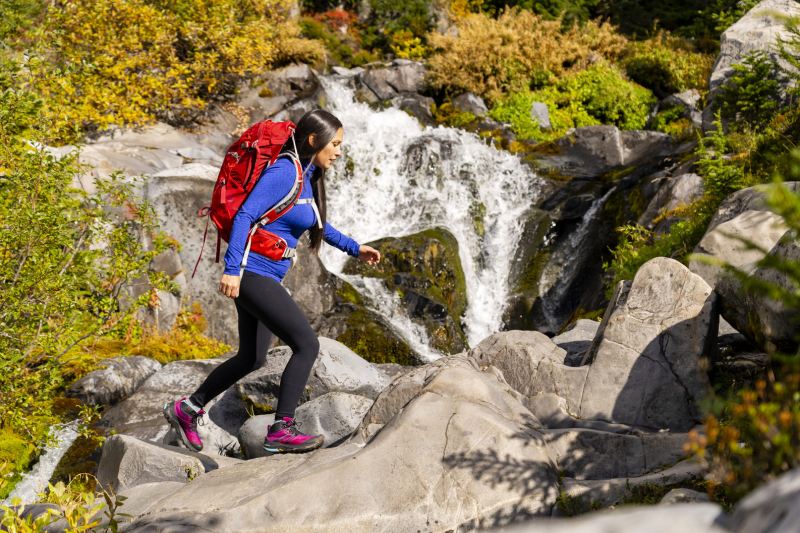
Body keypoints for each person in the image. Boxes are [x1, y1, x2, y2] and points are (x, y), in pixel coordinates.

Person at [163, 109, 381, 454]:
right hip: (252, 274)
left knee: (252, 358)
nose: (338, 151)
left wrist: (357, 248)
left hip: (264, 275)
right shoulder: (284, 171)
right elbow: (246, 214)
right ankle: (282, 428)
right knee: (306, 345)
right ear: (314, 140)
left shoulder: (306, 177)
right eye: (335, 144)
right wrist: (232, 269)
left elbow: (319, 226)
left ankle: (188, 409)